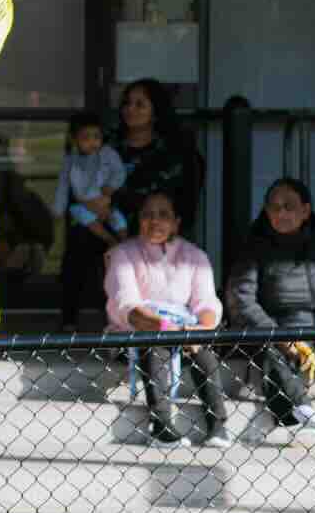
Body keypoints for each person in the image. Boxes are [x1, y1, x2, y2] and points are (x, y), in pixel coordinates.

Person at [226, 176, 315, 434]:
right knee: (271, 352)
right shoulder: (253, 250)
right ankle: (302, 412)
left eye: (289, 206)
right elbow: (241, 301)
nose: (281, 213)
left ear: (305, 210)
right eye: (274, 207)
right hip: (284, 335)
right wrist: (282, 339)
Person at [104, 191, 231, 447]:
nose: (155, 221)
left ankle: (218, 427)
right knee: (156, 342)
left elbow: (207, 303)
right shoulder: (123, 254)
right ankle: (161, 425)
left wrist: (198, 330)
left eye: (163, 215)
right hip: (137, 336)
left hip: (185, 334)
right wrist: (167, 327)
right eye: (148, 215)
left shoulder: (195, 257)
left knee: (203, 351)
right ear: (139, 220)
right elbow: (128, 305)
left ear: (176, 222)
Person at [54, 111, 129, 330]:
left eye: (96, 136)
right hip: (84, 208)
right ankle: (110, 239)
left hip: (105, 203)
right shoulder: (71, 160)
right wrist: (58, 211)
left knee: (118, 220)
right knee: (80, 217)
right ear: (75, 139)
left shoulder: (108, 155)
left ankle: (122, 241)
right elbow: (63, 187)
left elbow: (119, 174)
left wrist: (108, 194)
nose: (92, 142)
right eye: (86, 137)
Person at [110, 78, 194, 225]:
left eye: (139, 105)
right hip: (105, 232)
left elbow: (182, 205)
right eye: (126, 103)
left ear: (156, 111)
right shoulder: (107, 145)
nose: (130, 109)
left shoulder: (172, 152)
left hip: (155, 235)